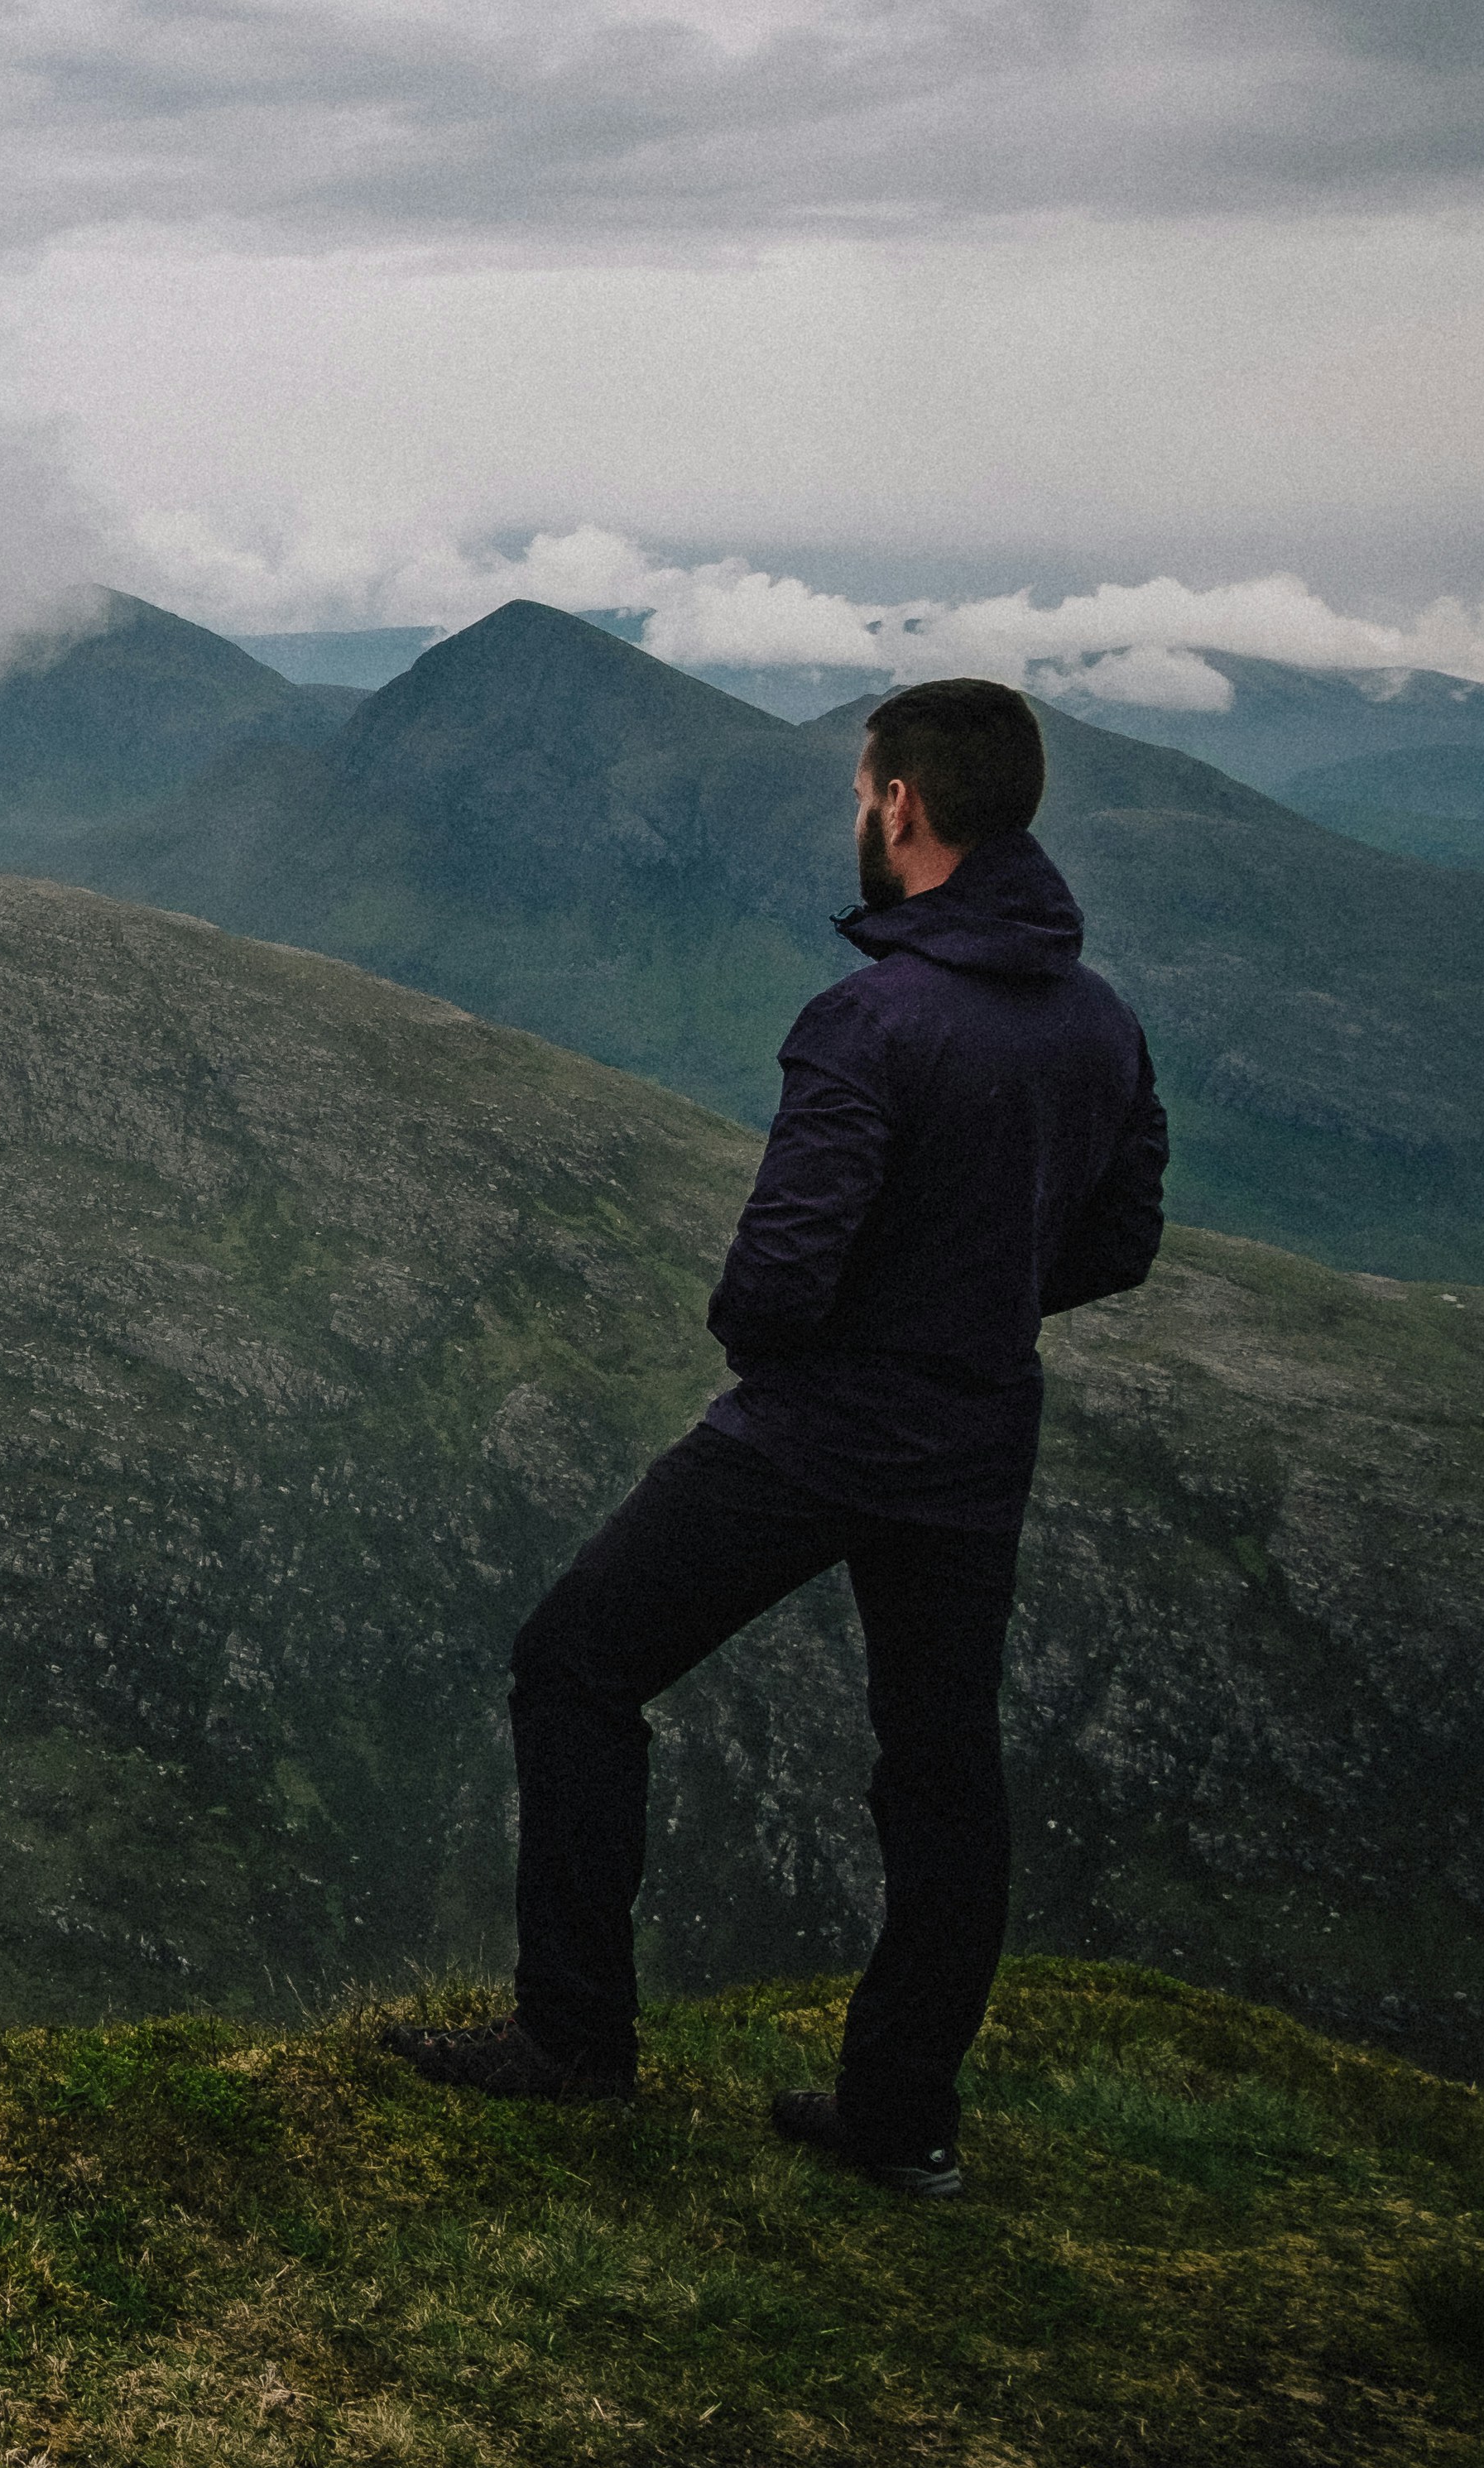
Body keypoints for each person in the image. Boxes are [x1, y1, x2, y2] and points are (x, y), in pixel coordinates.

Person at [388, 675, 1167, 2197]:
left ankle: (576, 2043)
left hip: (817, 1434)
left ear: (899, 805)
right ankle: (902, 2124)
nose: (859, 819)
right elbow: (1119, 1244)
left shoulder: (870, 1020)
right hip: (975, 1439)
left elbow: (774, 1281)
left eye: (860, 795)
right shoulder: (1099, 1022)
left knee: (577, 1665)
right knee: (942, 1773)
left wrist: (814, 1350)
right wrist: (973, 1306)